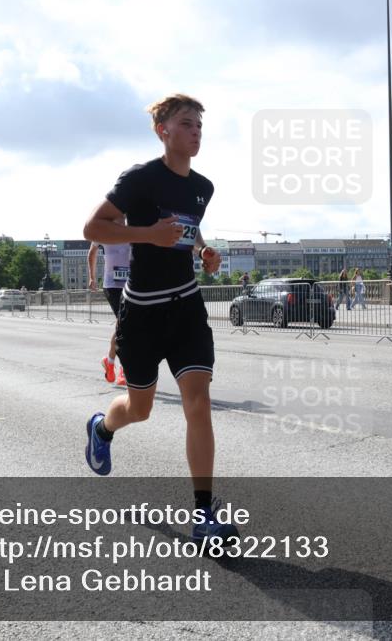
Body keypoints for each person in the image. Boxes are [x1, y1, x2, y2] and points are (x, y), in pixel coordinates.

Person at [82, 93, 238, 543]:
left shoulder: (202, 187)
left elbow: (188, 231)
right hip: (143, 313)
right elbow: (93, 228)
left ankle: (205, 514)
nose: (196, 132)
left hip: (186, 307)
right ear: (162, 130)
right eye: (187, 124)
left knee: (199, 402)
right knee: (140, 409)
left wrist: (204, 252)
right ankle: (103, 426)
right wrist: (146, 234)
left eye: (200, 126)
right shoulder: (139, 179)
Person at [88, 235, 130, 385]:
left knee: (124, 325)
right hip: (112, 285)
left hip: (131, 285)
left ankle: (109, 361)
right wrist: (92, 277)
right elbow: (92, 252)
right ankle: (123, 370)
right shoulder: (103, 230)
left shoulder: (132, 228)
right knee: (125, 325)